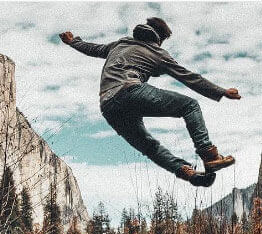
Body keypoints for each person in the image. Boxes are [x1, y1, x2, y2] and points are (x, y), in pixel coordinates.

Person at [60, 17, 241, 187]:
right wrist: (222, 91)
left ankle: (188, 174)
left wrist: (72, 41)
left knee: (148, 146)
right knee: (189, 105)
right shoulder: (157, 52)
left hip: (108, 106)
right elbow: (189, 77)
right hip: (129, 91)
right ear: (159, 38)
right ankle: (209, 154)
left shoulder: (121, 43)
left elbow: (93, 49)